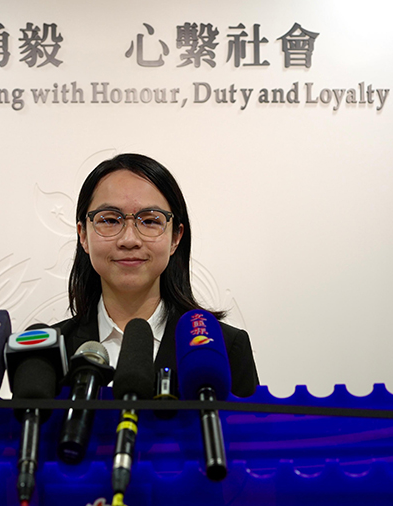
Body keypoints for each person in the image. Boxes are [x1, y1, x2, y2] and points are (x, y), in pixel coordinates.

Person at [53, 153, 259, 397]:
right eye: (109, 220)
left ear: (175, 238)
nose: (129, 239)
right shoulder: (48, 356)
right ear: (83, 235)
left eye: (150, 221)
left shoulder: (225, 348)